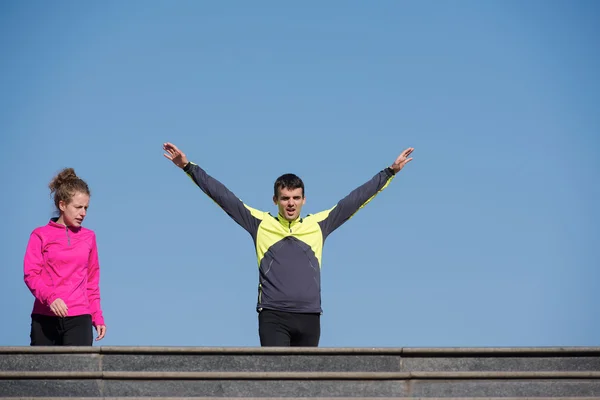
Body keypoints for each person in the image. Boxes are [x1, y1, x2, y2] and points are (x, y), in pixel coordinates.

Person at [163, 142, 413, 347]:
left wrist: (389, 172)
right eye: (285, 198)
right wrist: (188, 166)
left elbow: (356, 199)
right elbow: (222, 196)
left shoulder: (318, 224)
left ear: (304, 199)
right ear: (275, 200)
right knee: (277, 384)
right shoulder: (259, 223)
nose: (290, 203)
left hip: (310, 316)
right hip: (273, 316)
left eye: (295, 198)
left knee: (304, 388)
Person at [23, 168, 106, 346]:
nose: (83, 213)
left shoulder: (89, 237)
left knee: (78, 374)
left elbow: (92, 281)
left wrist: (97, 315)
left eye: (86, 208)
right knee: (42, 373)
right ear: (62, 205)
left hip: (79, 317)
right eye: (78, 207)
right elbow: (31, 274)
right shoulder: (40, 235)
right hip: (44, 318)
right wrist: (51, 297)